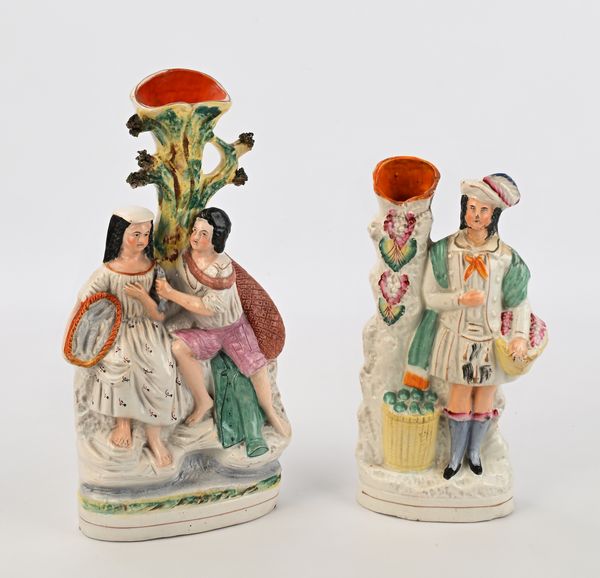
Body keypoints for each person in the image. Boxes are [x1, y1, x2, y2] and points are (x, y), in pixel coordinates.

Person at [403, 174, 531, 479]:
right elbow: (430, 297)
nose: (476, 215)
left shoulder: (505, 258)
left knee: (484, 396)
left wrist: (519, 337)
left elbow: (519, 302)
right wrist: (459, 299)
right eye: (472, 207)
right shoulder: (445, 251)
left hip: (489, 339)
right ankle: (454, 456)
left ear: (494, 215)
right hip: (455, 337)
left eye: (483, 210)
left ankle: (475, 453)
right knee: (459, 393)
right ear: (464, 208)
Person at [156, 207, 290, 437]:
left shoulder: (221, 268)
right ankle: (202, 400)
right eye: (195, 231)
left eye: (204, 234)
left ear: (216, 239)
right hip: (203, 329)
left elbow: (209, 307)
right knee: (176, 347)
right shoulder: (185, 258)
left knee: (256, 367)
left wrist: (170, 294)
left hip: (231, 329)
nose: (195, 237)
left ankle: (270, 411)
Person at [73, 206, 181, 467]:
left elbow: (159, 314)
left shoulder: (154, 270)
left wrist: (143, 297)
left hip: (148, 330)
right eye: (136, 234)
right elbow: (85, 299)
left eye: (146, 234)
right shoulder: (108, 271)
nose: (142, 240)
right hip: (118, 330)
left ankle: (154, 436)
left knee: (163, 371)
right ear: (119, 234)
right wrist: (74, 331)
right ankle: (123, 424)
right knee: (120, 364)